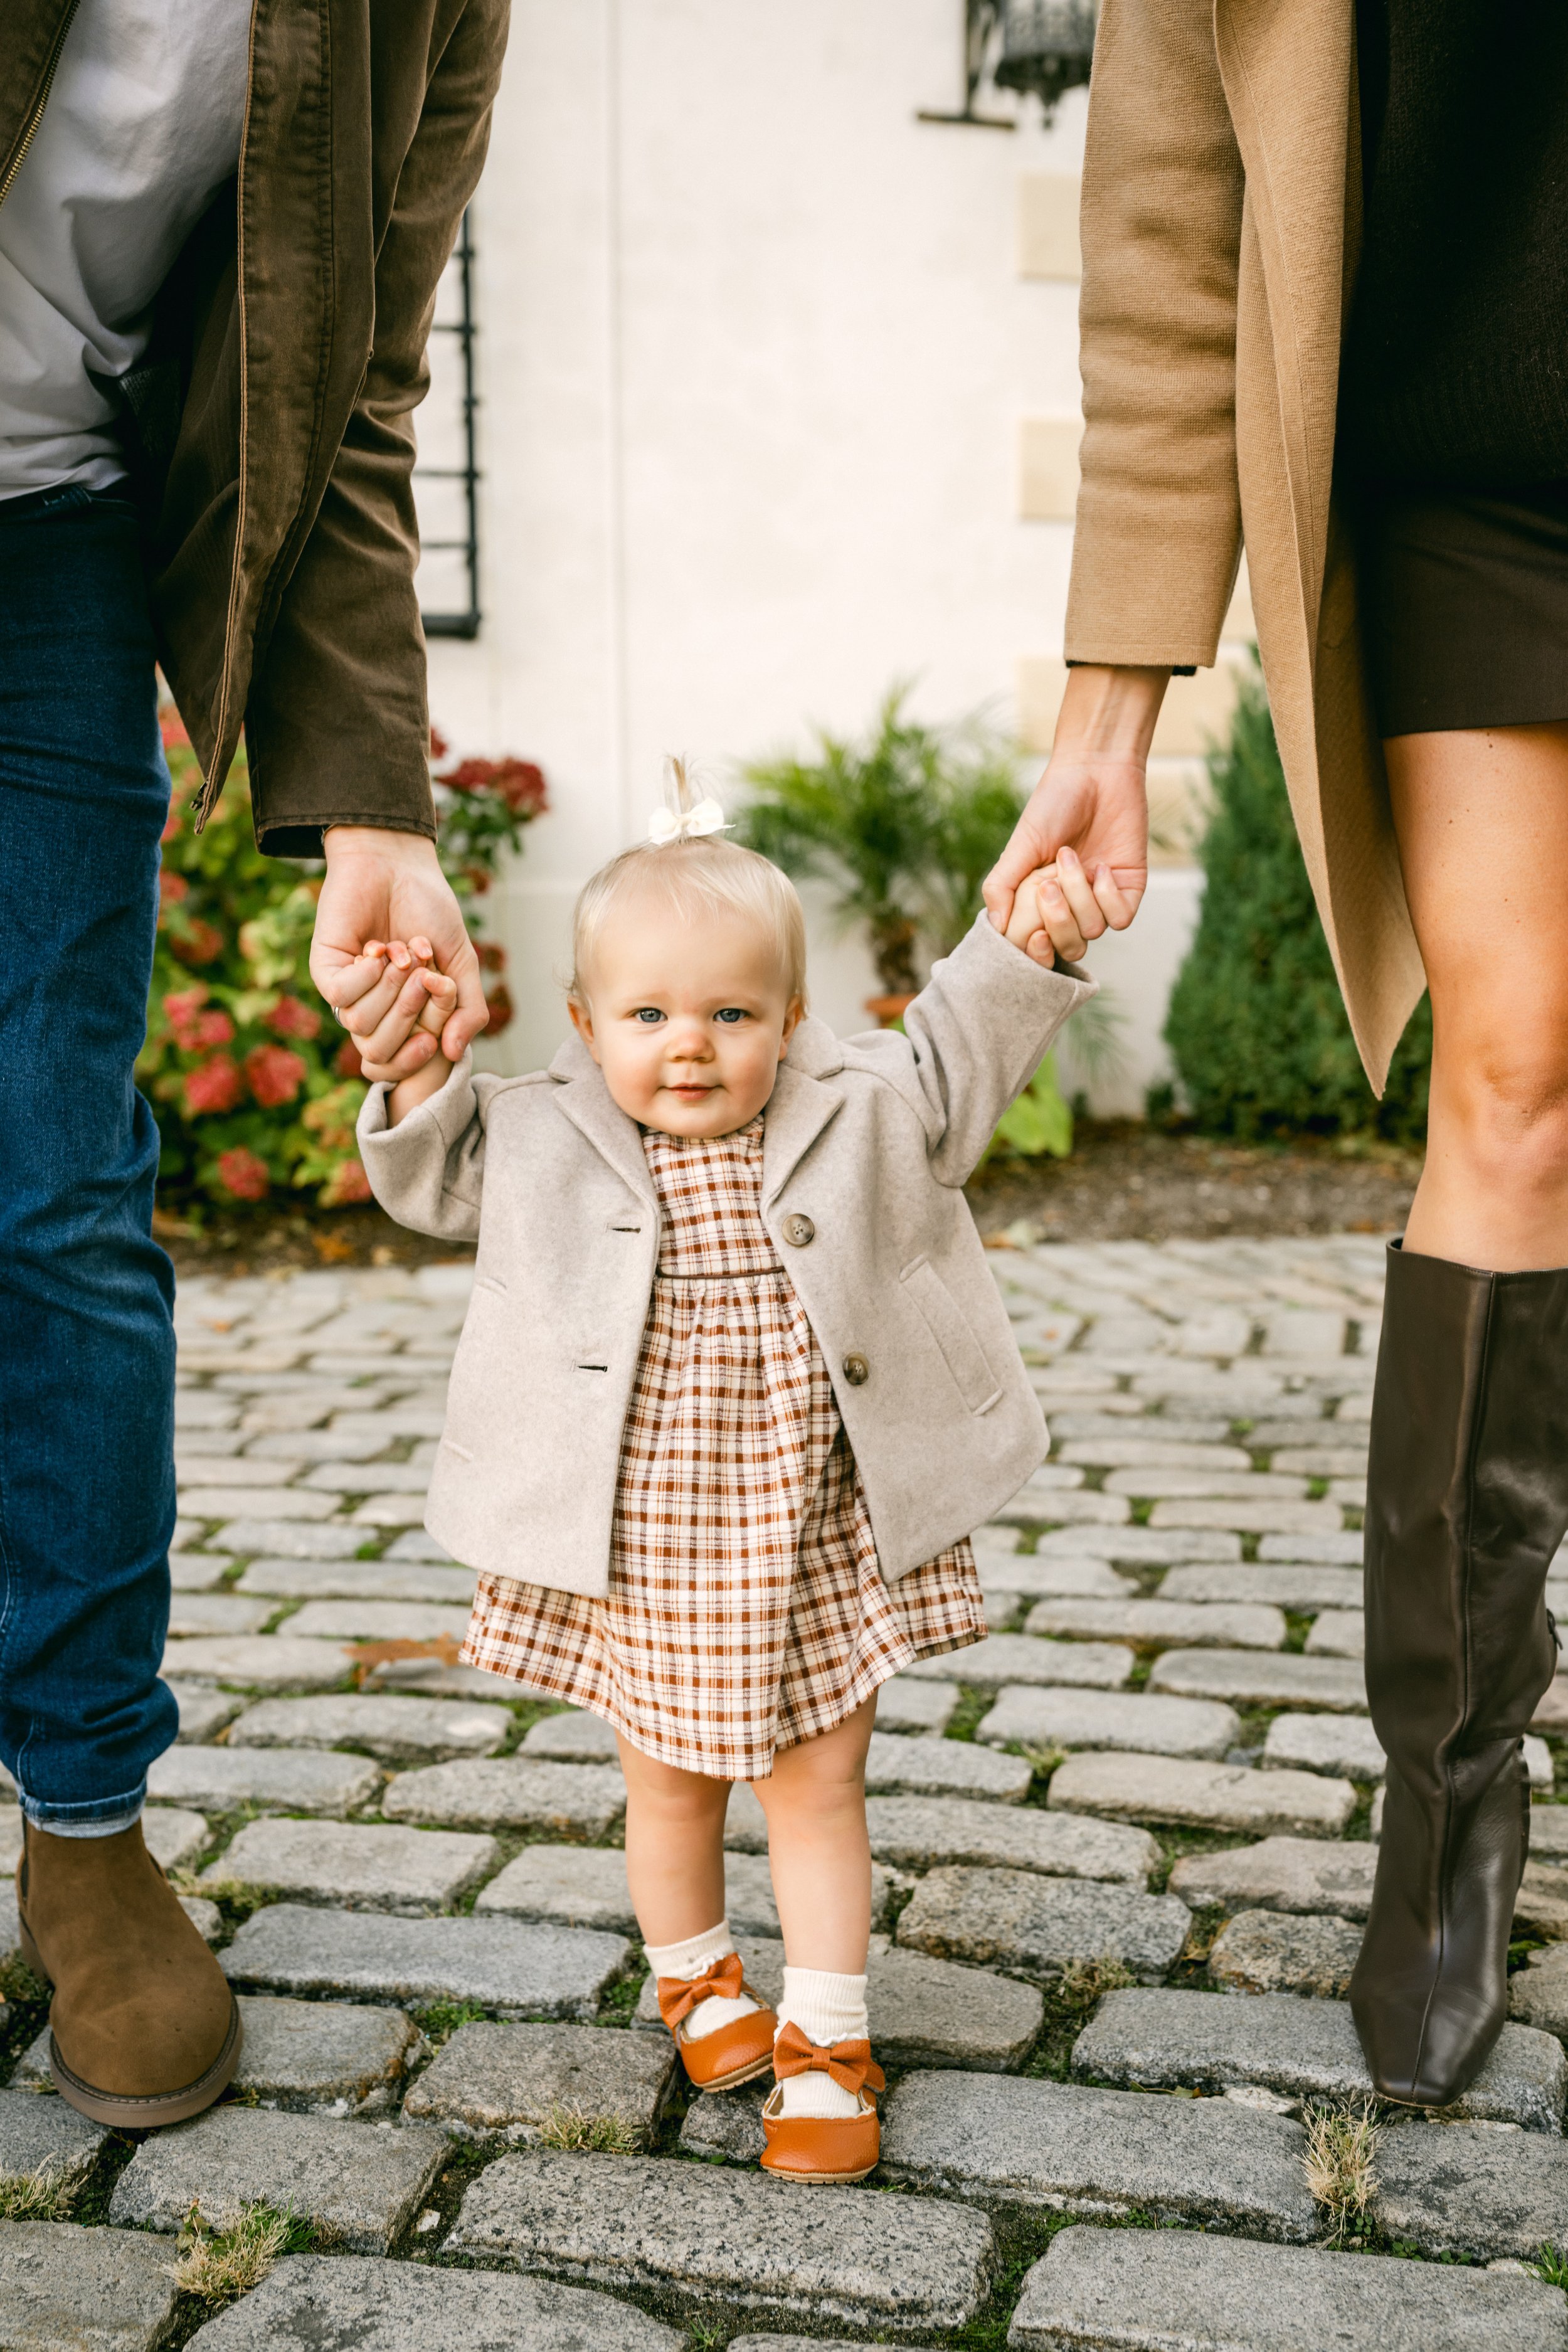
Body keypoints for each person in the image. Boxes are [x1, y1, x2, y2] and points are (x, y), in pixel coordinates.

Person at [982, 0, 1568, 2110]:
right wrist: (1107, 706)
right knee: (1515, 1082)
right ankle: (1452, 1796)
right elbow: (1167, 207)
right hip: (1474, 483)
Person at [2, 0, 506, 2126]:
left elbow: (350, 384)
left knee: (55, 1193)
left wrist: (373, 813)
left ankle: (89, 1823)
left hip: (47, 529)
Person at [349, 771, 1094, 2181]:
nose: (686, 1047)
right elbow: (424, 1175)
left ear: (789, 1019)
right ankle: (696, 1981)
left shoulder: (866, 1104)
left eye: (730, 1014)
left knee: (822, 1787)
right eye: (646, 1016)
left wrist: (1028, 941)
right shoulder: (537, 1136)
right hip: (643, 1545)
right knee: (671, 1791)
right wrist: (412, 1061)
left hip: (815, 1528)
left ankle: (826, 2036)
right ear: (583, 1024)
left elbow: (956, 1048)